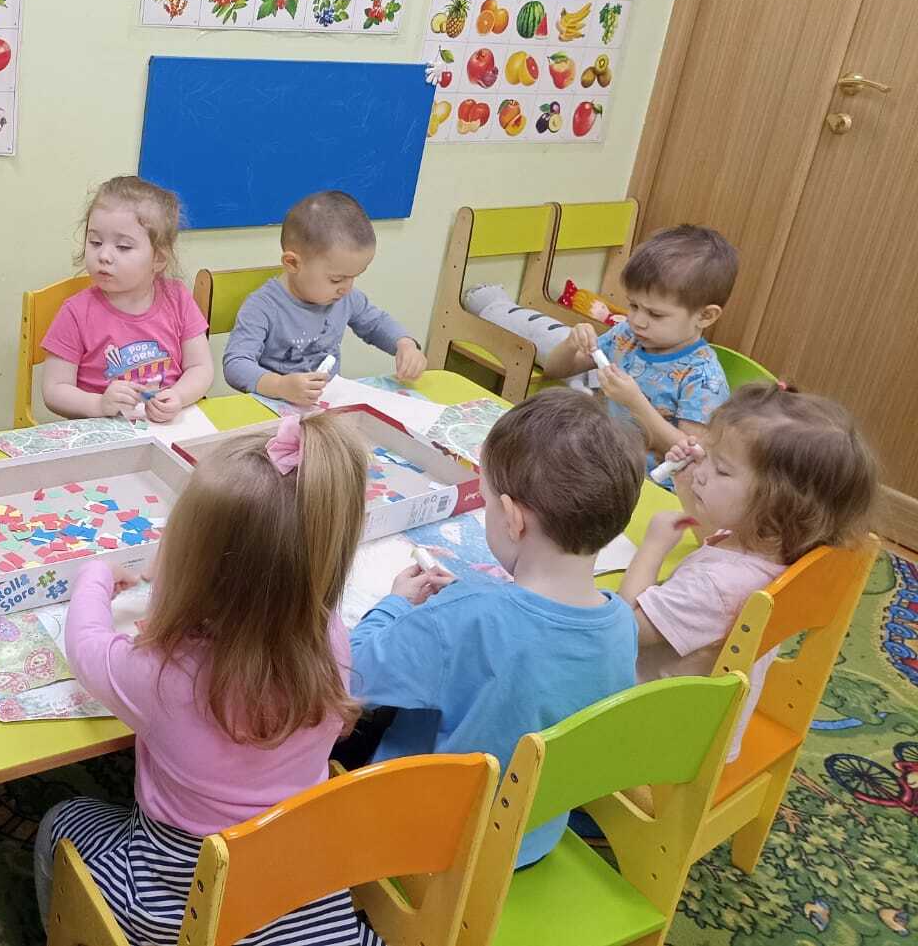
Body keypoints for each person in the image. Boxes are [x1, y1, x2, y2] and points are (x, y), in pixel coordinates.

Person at [35, 415, 380, 944]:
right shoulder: (331, 638)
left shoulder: (162, 672)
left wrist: (94, 577)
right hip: (301, 893)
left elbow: (85, 646)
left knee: (60, 820)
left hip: (174, 905)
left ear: (197, 571)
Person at [348, 388, 640, 866]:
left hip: (432, 840)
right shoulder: (620, 623)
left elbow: (356, 673)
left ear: (511, 518)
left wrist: (395, 605)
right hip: (534, 835)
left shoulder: (463, 620)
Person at [619, 383, 877, 758]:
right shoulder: (771, 546)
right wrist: (689, 478)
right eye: (707, 456)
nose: (704, 471)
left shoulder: (718, 586)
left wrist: (653, 548)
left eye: (721, 469)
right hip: (705, 718)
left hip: (656, 735)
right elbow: (709, 531)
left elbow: (624, 629)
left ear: (779, 504)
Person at [543, 224, 738, 480]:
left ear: (705, 316)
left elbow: (692, 456)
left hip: (655, 486)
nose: (638, 321)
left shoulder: (702, 378)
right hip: (605, 465)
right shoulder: (626, 336)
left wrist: (635, 403)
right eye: (633, 305)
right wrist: (571, 344)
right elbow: (555, 370)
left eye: (655, 314)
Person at [224, 190, 426, 408]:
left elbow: (376, 323)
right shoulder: (263, 306)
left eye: (354, 277)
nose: (347, 288)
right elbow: (236, 364)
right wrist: (280, 385)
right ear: (293, 264)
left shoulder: (344, 298)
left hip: (324, 408)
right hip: (271, 409)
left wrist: (405, 345)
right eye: (337, 279)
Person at [40, 176, 211, 424]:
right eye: (95, 242)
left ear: (159, 259)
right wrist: (98, 404)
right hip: (102, 433)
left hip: (167, 427)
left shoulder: (178, 299)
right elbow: (54, 390)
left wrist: (178, 396)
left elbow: (200, 368)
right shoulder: (75, 313)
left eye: (123, 246)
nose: (104, 255)